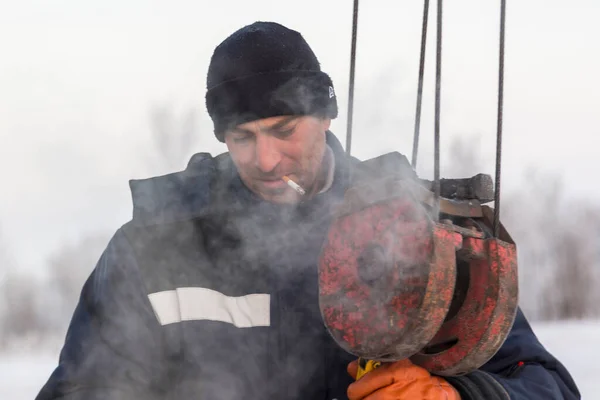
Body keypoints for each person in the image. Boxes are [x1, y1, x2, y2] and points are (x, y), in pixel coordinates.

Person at [36, 21, 580, 400]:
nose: (266, 159)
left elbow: (545, 383)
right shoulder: (154, 246)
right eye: (242, 137)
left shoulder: (411, 226)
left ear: (324, 117)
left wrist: (452, 396)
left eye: (283, 129)